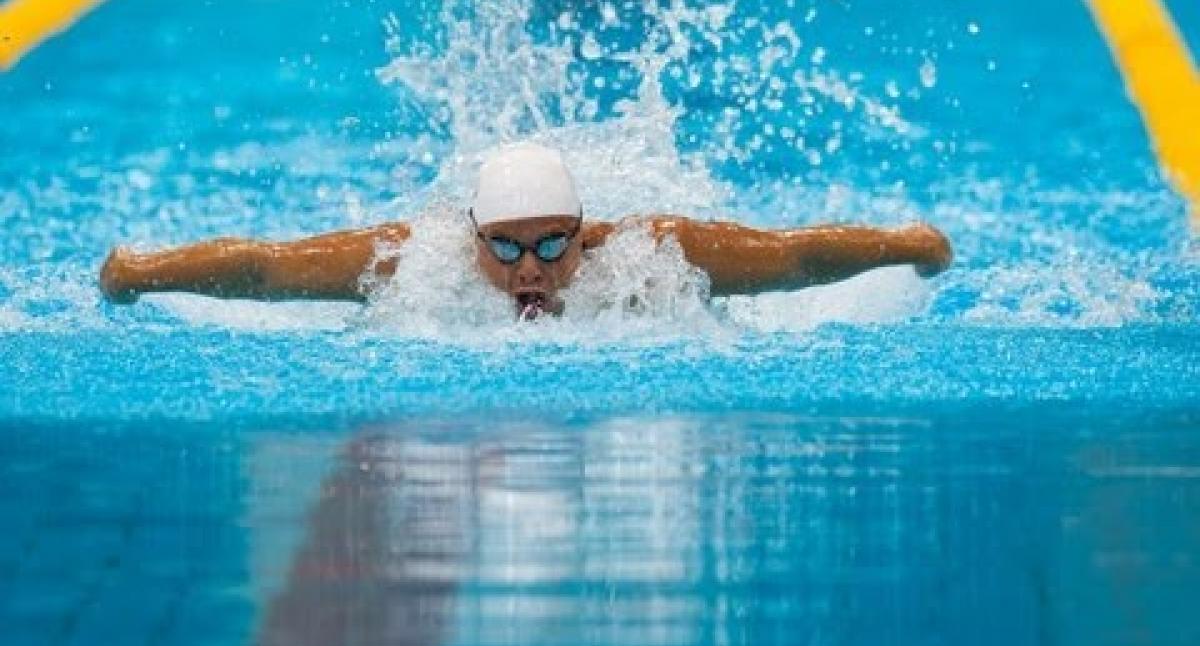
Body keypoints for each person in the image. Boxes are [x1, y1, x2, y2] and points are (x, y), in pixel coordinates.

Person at [99, 142, 953, 320]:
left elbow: (792, 254)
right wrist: (140, 269)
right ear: (472, 239)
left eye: (554, 244)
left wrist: (908, 245)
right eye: (505, 247)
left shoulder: (645, 256)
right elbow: (266, 269)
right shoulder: (418, 260)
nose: (531, 269)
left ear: (588, 234)